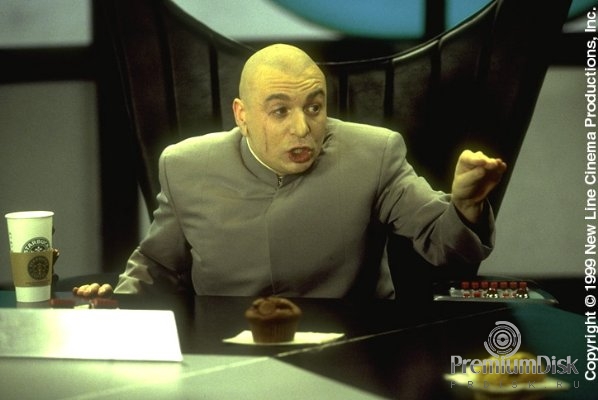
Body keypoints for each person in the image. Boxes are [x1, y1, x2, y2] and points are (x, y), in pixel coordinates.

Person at [75, 43, 506, 299]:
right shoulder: (185, 165)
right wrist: (115, 303)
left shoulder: (375, 153)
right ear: (242, 115)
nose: (302, 128)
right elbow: (156, 266)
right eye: (280, 111)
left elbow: (445, 248)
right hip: (225, 348)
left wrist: (466, 206)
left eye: (314, 107)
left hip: (351, 347)